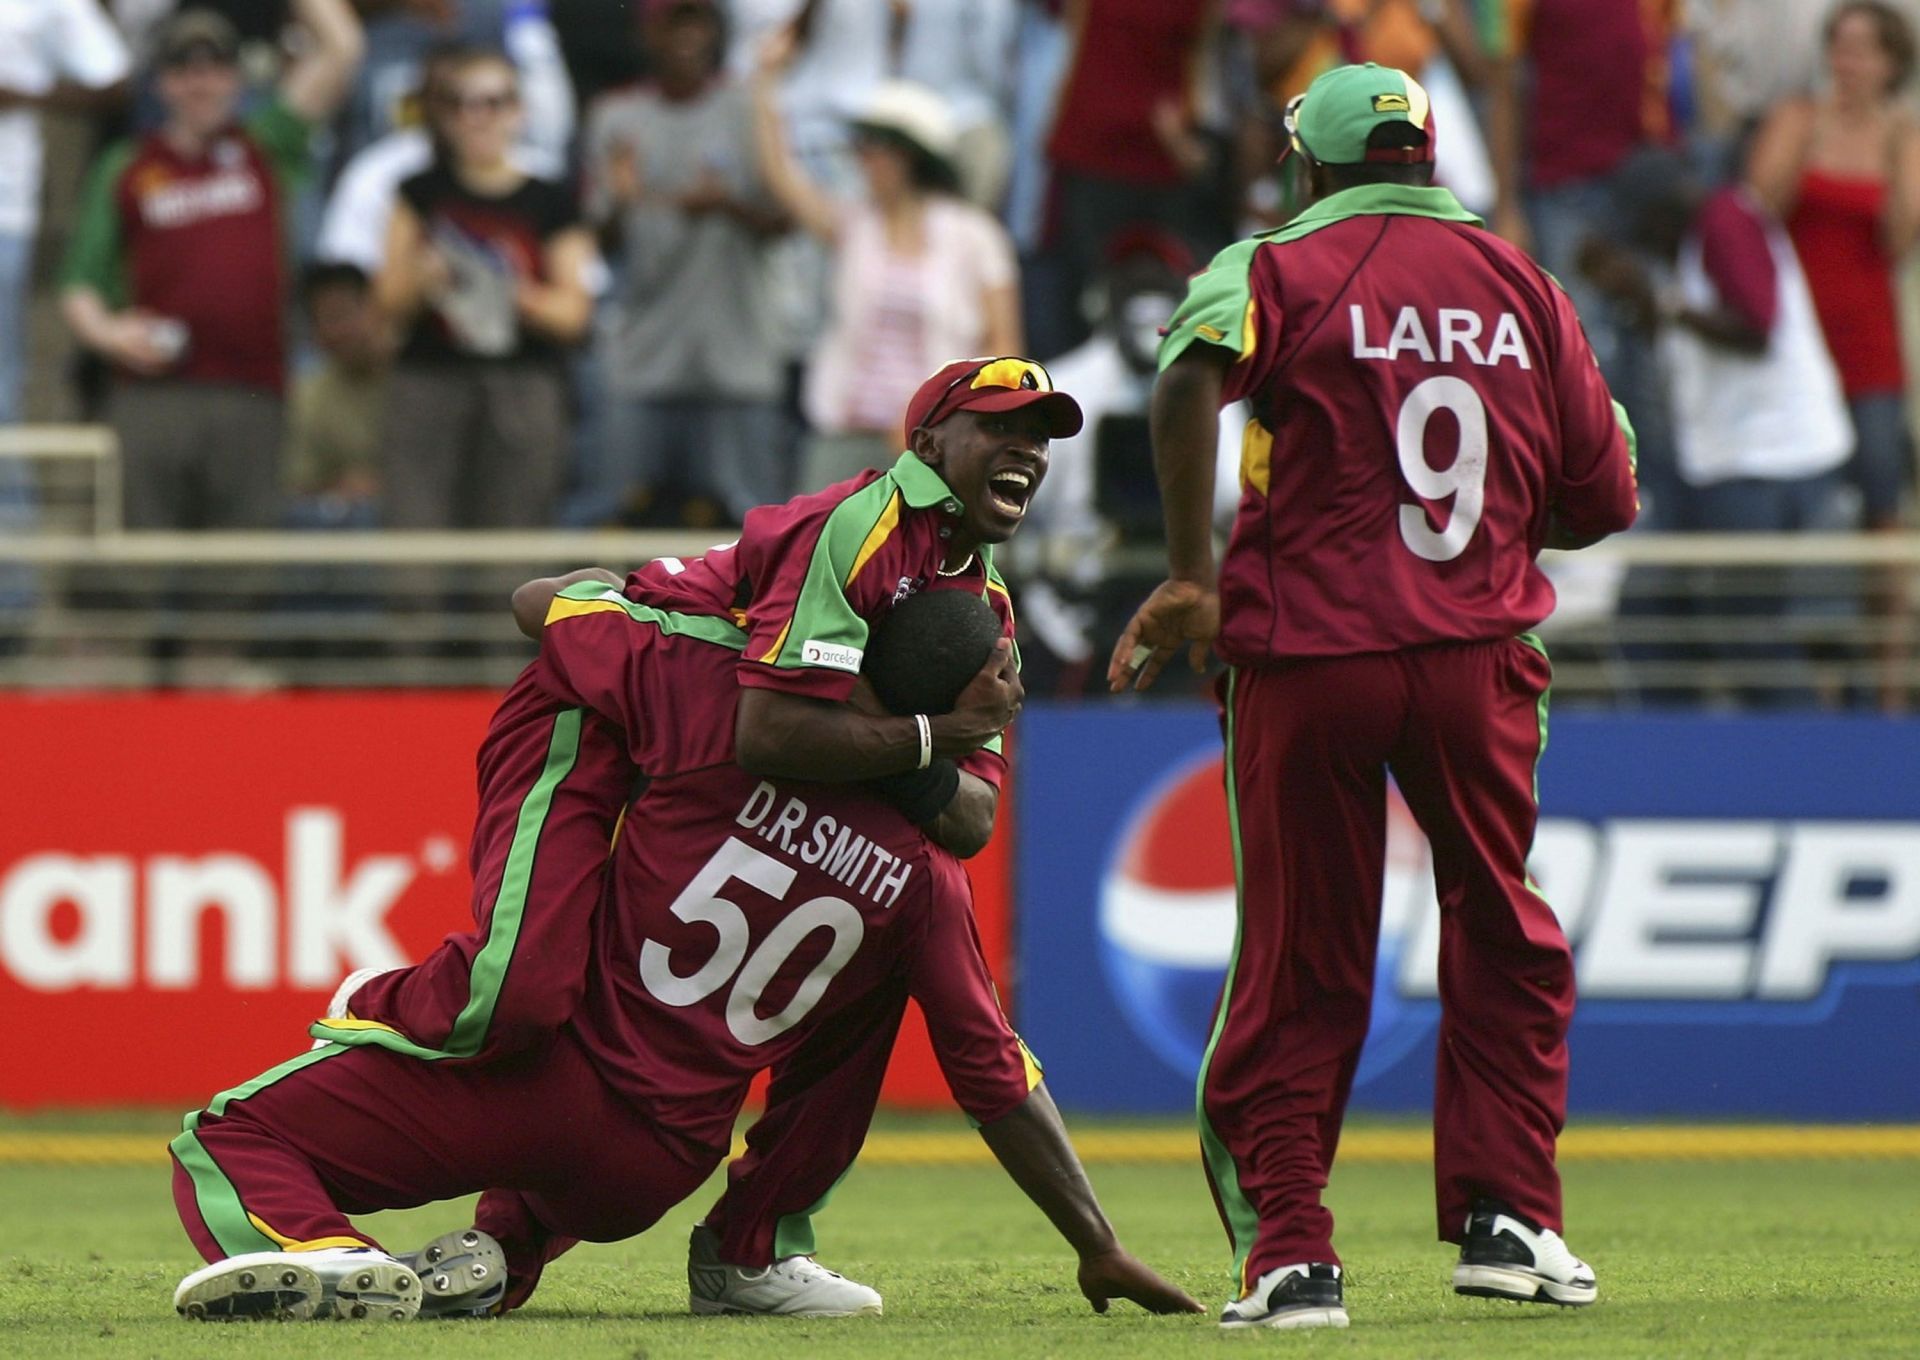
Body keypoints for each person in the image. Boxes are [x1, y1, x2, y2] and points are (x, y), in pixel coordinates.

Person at [169, 579, 1200, 1324]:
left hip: (543, 1072)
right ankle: (524, 1247)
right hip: (652, 1167)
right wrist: (1095, 1240)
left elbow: (546, 612)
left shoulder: (724, 719)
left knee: (224, 1142)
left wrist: (687, 597)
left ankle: (337, 1252)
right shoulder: (930, 880)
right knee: (882, 986)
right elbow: (992, 1069)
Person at [311, 355, 1086, 1316]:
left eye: (1041, 435)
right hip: (631, 668)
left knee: (862, 945)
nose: (1027, 449)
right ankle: (396, 1013)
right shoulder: (867, 521)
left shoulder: (987, 608)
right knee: (533, 977)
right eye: (1001, 425)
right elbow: (768, 729)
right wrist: (929, 733)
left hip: (733, 717)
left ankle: (691, 1246)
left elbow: (970, 819)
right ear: (928, 443)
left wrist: (914, 742)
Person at [1108, 64, 1638, 1331]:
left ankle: (1292, 1252)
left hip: (1313, 657)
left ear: (1309, 165)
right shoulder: (1525, 283)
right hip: (1475, 660)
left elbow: (1185, 371)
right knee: (1503, 926)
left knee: (1304, 955)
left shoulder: (1275, 262)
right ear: (1422, 154)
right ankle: (1513, 1219)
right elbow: (1606, 494)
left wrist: (1190, 574)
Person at [59, 2, 363, 533]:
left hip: (254, 393)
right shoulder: (129, 165)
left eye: (216, 67)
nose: (201, 82)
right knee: (139, 567)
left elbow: (341, 48)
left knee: (238, 576)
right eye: (184, 68)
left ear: (238, 79)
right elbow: (78, 284)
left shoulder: (266, 144)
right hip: (151, 396)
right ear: (160, 82)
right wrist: (109, 334)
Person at [1580, 149, 1853, 705]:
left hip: (1768, 458)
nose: (1644, 243)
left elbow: (1756, 327)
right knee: (1657, 610)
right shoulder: (1698, 240)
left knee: (1745, 633)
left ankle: (1808, 767)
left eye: (1644, 229)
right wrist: (1642, 301)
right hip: (1729, 461)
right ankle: (1685, 744)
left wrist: (1659, 300)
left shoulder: (1726, 222)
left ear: (1667, 211)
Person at [753, 41, 1024, 493]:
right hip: (844, 437)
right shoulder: (854, 224)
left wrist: (947, 417)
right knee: (821, 557)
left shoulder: (977, 237)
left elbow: (1005, 350)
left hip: (936, 446)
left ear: (908, 155)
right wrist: (766, 86)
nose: (860, 157)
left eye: (871, 145)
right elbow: (782, 178)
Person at [575, 0, 790, 529]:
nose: (686, 41)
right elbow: (595, 240)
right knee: (616, 514)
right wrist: (623, 200)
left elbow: (786, 218)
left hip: (735, 349)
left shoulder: (747, 109)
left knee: (752, 519)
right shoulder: (615, 116)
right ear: (648, 36)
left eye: (697, 26)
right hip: (646, 350)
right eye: (673, 26)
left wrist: (727, 206)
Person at [375, 46, 596, 529]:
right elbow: (387, 302)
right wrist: (423, 278)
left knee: (513, 542)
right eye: (461, 104)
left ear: (517, 111)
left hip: (521, 382)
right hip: (432, 380)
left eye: (492, 103)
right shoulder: (419, 192)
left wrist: (511, 290)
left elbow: (574, 313)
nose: (477, 118)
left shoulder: (549, 200)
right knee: (417, 535)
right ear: (445, 115)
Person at [284, 262, 390, 531]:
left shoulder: (424, 382)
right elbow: (298, 485)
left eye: (350, 313)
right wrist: (342, 487)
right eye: (330, 319)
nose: (344, 329)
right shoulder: (308, 395)